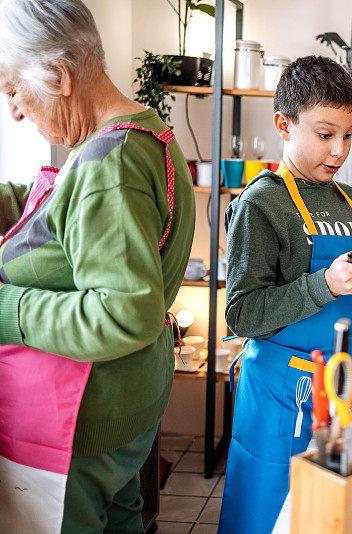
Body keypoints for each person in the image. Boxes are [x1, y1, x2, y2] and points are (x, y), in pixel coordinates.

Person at [0, 0, 195, 532]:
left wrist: (6, 307)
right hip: (125, 404)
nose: (13, 110)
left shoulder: (110, 167)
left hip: (79, 419)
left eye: (13, 89)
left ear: (59, 76)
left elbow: (125, 314)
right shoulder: (139, 134)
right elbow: (66, 213)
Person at [219, 56, 352, 533]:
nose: (339, 150)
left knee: (336, 514)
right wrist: (324, 284)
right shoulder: (261, 203)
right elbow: (242, 315)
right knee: (269, 515)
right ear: (283, 125)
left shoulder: (348, 200)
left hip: (347, 387)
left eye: (348, 135)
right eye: (326, 134)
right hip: (282, 394)